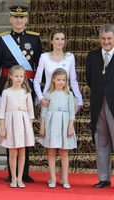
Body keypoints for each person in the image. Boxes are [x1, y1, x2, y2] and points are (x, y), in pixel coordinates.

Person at [0, 4, 42, 183]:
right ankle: (10, 173)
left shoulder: (34, 39)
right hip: (8, 87)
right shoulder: (2, 39)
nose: (19, 20)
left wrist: (38, 93)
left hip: (27, 88)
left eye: (22, 17)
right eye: (15, 17)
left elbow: (39, 67)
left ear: (26, 19)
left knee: (25, 130)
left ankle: (25, 172)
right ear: (10, 19)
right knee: (10, 131)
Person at [0, 65, 35, 188]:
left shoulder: (26, 92)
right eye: (16, 76)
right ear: (11, 77)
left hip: (23, 124)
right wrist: (2, 128)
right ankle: (13, 177)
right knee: (13, 152)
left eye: (21, 76)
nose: (19, 78)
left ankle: (20, 178)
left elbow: (31, 112)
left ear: (24, 77)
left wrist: (30, 128)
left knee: (22, 152)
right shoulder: (6, 92)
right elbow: (2, 112)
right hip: (10, 124)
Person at [86, 25, 114, 188]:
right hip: (98, 104)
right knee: (101, 140)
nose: (106, 42)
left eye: (109, 38)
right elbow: (89, 79)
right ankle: (104, 178)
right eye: (103, 38)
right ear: (99, 39)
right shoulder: (92, 56)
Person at [39, 68, 77, 189]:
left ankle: (65, 179)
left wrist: (70, 127)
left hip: (64, 124)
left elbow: (72, 113)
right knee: (51, 152)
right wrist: (42, 127)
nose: (61, 82)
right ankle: (52, 178)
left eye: (64, 80)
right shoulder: (48, 94)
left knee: (64, 152)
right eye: (59, 79)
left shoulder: (69, 94)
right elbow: (43, 112)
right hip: (51, 124)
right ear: (53, 79)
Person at [34, 28, 83, 109]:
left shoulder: (70, 57)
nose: (60, 42)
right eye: (57, 39)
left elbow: (73, 81)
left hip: (65, 98)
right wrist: (41, 97)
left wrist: (79, 99)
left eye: (62, 39)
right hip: (48, 99)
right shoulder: (44, 57)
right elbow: (37, 80)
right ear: (51, 41)